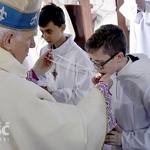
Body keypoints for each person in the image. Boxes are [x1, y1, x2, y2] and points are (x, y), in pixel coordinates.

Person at [0, 0, 115, 149]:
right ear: (8, 40)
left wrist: (34, 75)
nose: (34, 44)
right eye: (30, 38)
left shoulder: (79, 56)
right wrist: (101, 92)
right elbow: (73, 133)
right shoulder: (13, 85)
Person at [85, 24, 150, 150]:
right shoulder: (113, 71)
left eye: (99, 63)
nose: (95, 68)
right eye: (92, 61)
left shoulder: (145, 82)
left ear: (119, 57)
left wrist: (125, 139)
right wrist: (102, 92)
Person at [38, 3, 95, 105]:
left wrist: (53, 94)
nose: (45, 37)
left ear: (63, 27)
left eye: (49, 31)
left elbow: (84, 94)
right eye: (42, 32)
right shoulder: (44, 51)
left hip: (73, 112)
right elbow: (43, 78)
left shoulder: (79, 57)